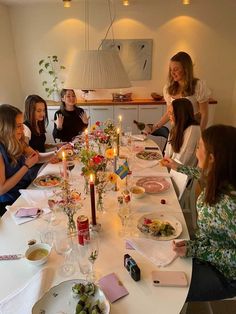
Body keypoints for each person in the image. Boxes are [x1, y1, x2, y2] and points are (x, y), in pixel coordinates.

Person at [161, 125, 236, 301]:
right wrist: (176, 166)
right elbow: (199, 173)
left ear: (212, 158)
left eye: (198, 146)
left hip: (225, 275)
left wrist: (197, 251)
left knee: (166, 291)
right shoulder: (217, 178)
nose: (196, 151)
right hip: (204, 253)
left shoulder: (230, 206)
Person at [152, 51, 211, 132]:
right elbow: (169, 113)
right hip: (176, 132)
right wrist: (155, 127)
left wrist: (199, 135)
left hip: (192, 131)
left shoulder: (198, 86)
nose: (172, 73)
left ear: (186, 69)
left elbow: (204, 114)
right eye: (171, 69)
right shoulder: (168, 88)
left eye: (176, 69)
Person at [0, 104, 39, 216]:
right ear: (6, 128)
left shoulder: (17, 139)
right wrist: (26, 166)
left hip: (26, 192)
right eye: (18, 126)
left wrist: (57, 152)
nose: (22, 129)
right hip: (10, 203)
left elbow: (36, 156)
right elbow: (1, 189)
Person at [165, 98, 201, 166]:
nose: (169, 116)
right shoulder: (176, 127)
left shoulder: (193, 129)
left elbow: (182, 160)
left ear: (180, 114)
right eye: (169, 113)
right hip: (172, 169)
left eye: (171, 113)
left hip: (183, 174)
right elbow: (167, 153)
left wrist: (167, 166)